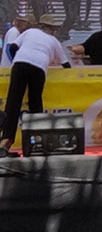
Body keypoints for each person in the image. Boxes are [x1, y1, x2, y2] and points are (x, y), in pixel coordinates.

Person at [0, 14, 70, 158]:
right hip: (39, 67)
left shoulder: (29, 32)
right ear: (54, 29)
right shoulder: (54, 41)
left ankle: (5, 142)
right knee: (35, 103)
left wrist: (16, 60)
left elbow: (12, 47)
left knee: (13, 103)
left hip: (20, 63)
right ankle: (35, 143)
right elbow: (66, 65)